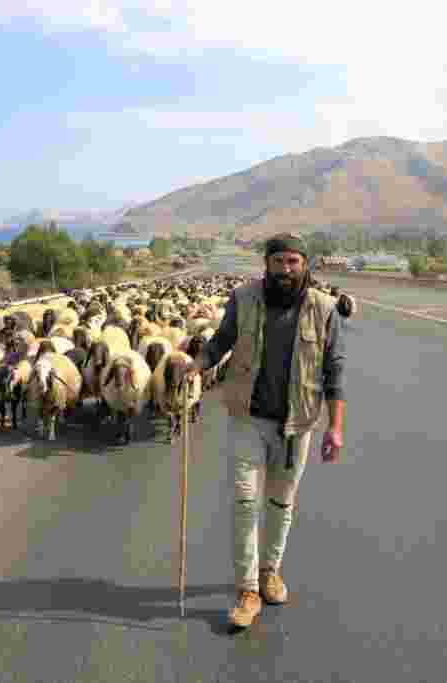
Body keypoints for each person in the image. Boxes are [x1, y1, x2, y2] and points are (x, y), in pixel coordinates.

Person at [188, 232, 346, 629]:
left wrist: (336, 427)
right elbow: (221, 342)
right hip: (248, 418)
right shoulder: (244, 299)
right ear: (267, 264)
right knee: (244, 502)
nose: (286, 269)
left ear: (304, 264)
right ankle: (247, 589)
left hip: (298, 423)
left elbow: (335, 370)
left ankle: (270, 571)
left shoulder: (325, 308)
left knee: (281, 502)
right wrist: (194, 365)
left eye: (293, 261)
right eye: (279, 262)